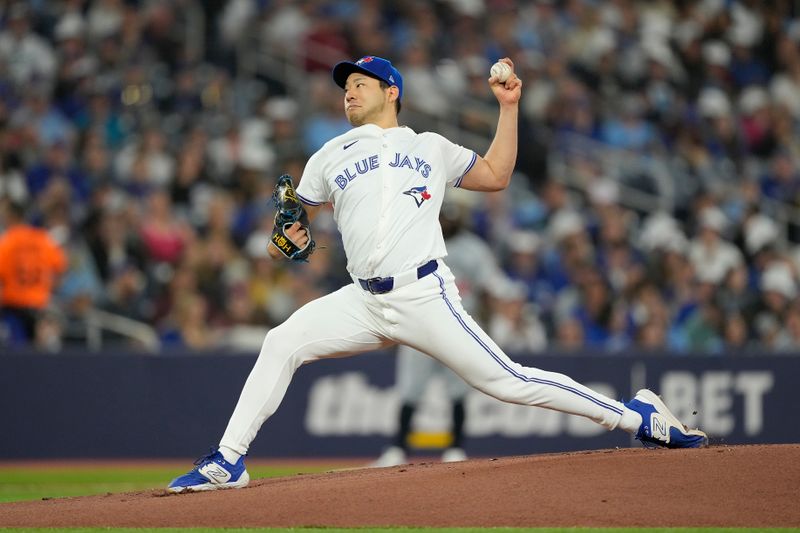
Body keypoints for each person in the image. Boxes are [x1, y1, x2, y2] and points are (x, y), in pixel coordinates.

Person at [168, 55, 707, 493]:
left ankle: (637, 417)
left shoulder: (430, 146)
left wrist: (509, 108)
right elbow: (289, 234)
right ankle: (228, 461)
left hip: (424, 293)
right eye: (346, 87)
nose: (349, 93)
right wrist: (287, 241)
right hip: (362, 299)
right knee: (281, 341)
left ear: (392, 91)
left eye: (361, 84)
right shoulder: (328, 155)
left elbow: (496, 176)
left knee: (508, 382)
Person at [371, 200, 507, 467]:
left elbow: (487, 291)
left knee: (458, 390)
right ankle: (398, 448)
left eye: (451, 218)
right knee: (410, 388)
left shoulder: (474, 249)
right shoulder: (418, 242)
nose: (447, 222)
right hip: (419, 327)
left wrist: (486, 331)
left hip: (457, 328)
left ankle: (455, 448)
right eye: (443, 218)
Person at [0, 198, 67, 344]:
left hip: (13, 306)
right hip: (40, 306)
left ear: (11, 217)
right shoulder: (43, 239)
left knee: (15, 357)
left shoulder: (6, 242)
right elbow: (60, 269)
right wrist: (48, 288)